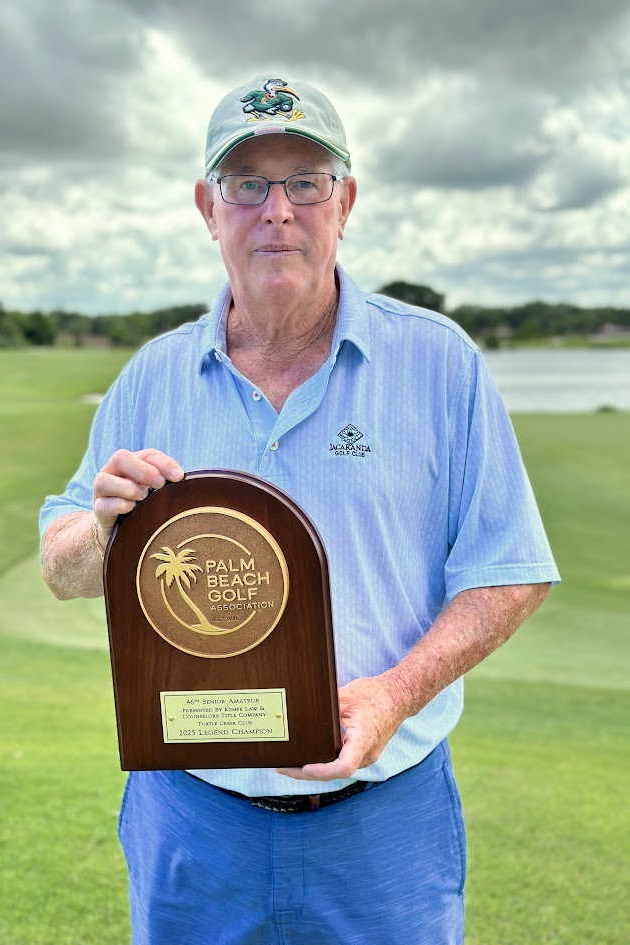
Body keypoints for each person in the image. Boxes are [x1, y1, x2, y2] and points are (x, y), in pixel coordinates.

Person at [40, 74, 560, 944]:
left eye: (304, 181)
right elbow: (62, 570)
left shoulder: (439, 364)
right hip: (193, 818)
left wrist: (395, 693)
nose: (275, 209)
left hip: (385, 822)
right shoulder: (150, 377)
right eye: (246, 183)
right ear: (209, 208)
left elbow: (509, 571)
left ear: (344, 201)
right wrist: (103, 529)